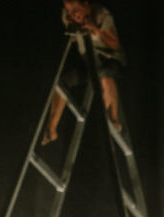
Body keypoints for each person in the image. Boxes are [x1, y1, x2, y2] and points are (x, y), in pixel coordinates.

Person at [42, 0, 127, 145]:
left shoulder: (100, 13)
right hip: (89, 60)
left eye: (75, 9)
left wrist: (95, 29)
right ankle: (51, 128)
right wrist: (73, 24)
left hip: (110, 59)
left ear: (86, 4)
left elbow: (114, 44)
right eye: (69, 10)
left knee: (102, 73)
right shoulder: (67, 15)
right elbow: (72, 36)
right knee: (62, 82)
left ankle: (113, 118)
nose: (73, 13)